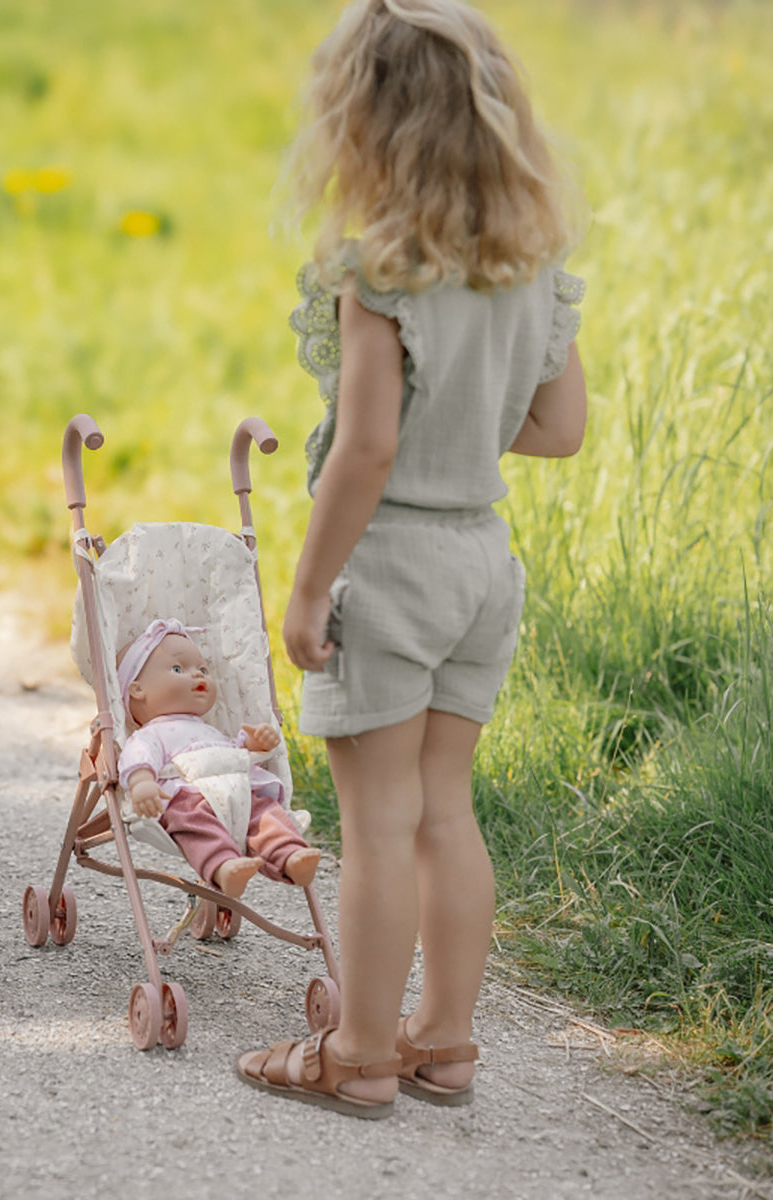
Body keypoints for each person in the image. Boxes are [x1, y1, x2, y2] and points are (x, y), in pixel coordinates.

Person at [236, 0, 586, 1119]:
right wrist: (469, 423)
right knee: (447, 811)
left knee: (377, 823)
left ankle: (358, 1054)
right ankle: (446, 1043)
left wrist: (303, 588)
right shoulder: (533, 269)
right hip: (484, 561)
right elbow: (561, 427)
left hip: (388, 566)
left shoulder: (380, 275)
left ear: (365, 128)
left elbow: (369, 448)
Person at [117, 618, 321, 899]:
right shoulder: (150, 735)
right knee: (196, 825)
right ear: (137, 689)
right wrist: (141, 783)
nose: (199, 676)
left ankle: (290, 855)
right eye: (178, 669)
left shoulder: (208, 729)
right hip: (189, 797)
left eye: (203, 669)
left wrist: (253, 744)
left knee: (266, 815)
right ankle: (223, 866)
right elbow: (138, 758)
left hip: (240, 790)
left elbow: (231, 751)